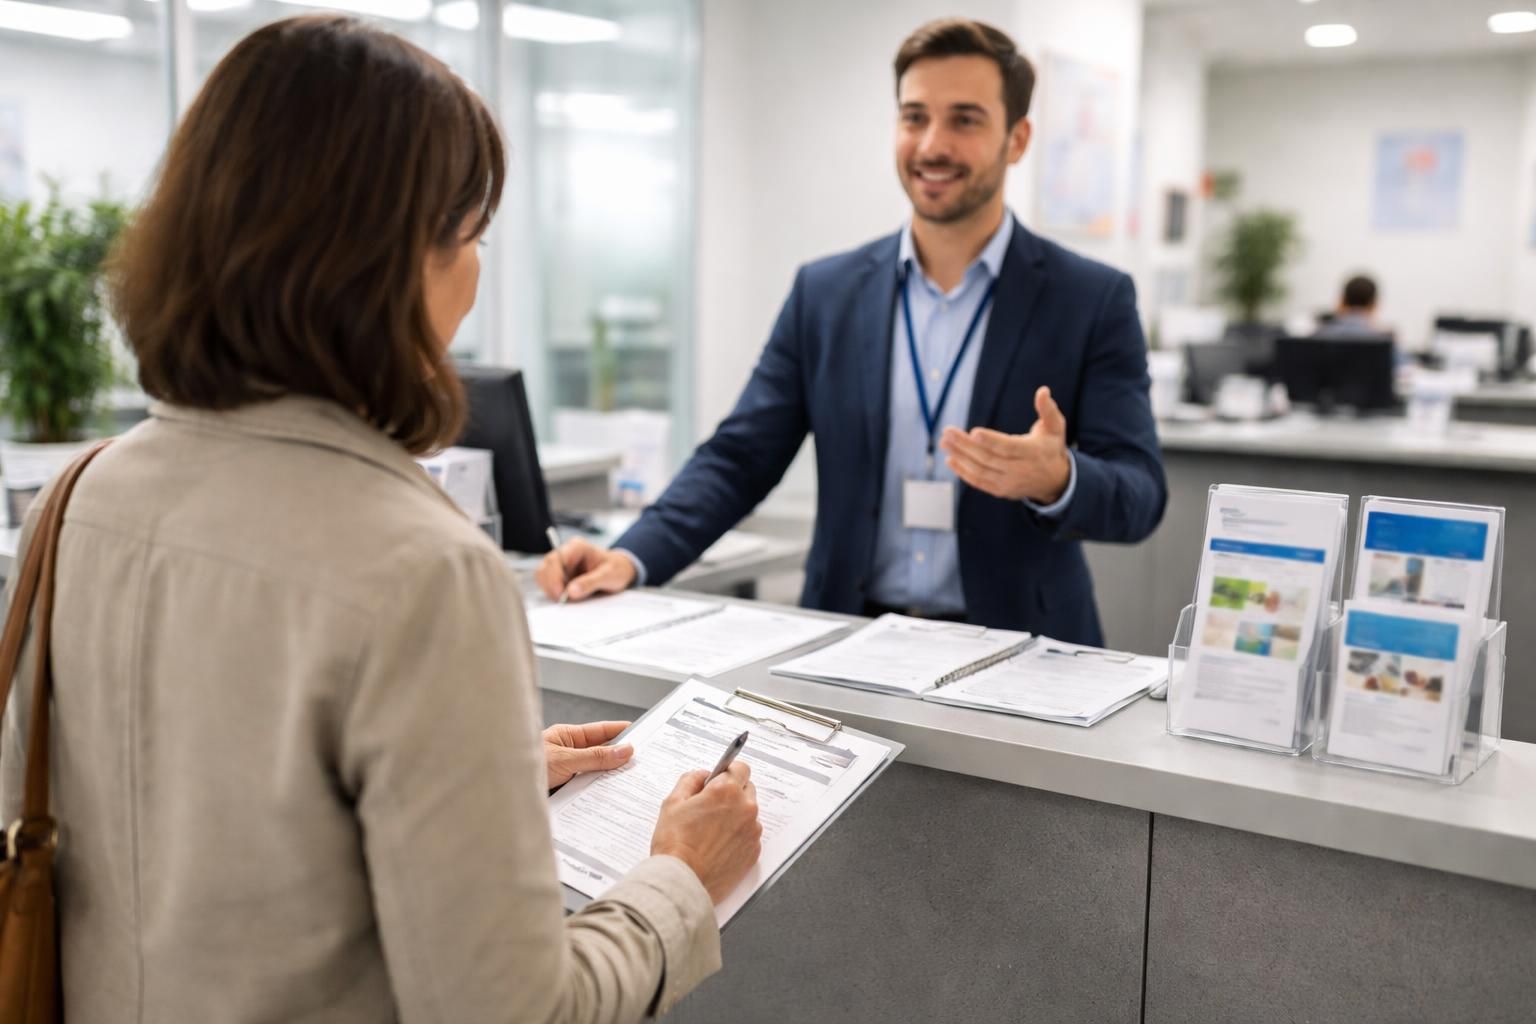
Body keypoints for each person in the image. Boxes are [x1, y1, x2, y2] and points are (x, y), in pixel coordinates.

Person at [0, 16, 760, 1023]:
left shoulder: (76, 500)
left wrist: (470, 791)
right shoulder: (424, 571)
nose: (476, 273)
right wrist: (679, 879)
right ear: (393, 263)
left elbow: (172, 831)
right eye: (472, 236)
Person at [539, 18, 1166, 644]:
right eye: (915, 117)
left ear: (1017, 139)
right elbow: (739, 458)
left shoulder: (1090, 299)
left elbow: (1141, 494)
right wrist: (631, 555)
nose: (932, 145)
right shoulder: (826, 293)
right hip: (849, 643)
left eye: (965, 120)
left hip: (1021, 650)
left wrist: (1060, 478)